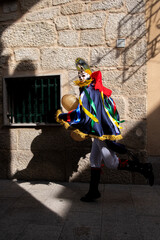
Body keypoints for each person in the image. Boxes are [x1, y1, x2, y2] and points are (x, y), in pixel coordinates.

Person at [56, 58, 154, 202]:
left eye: (83, 74)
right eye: (79, 75)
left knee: (111, 163)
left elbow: (83, 114)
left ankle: (144, 168)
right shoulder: (92, 89)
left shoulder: (89, 91)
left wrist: (64, 116)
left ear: (89, 74)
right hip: (99, 131)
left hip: (101, 133)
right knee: (94, 159)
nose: (81, 77)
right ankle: (93, 192)